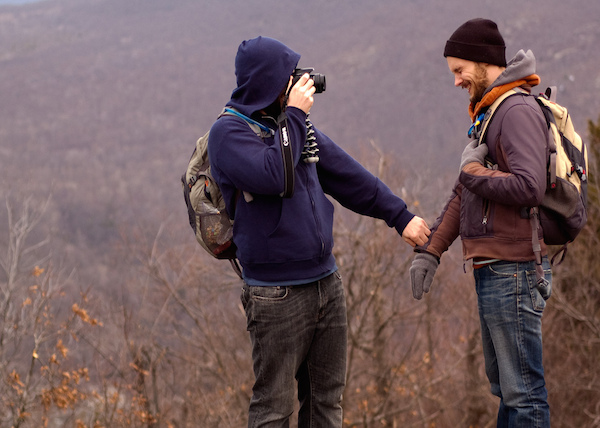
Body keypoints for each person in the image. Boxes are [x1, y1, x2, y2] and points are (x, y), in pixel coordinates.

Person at [208, 36, 430, 427]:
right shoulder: (228, 134)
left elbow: (348, 177)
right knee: (274, 407)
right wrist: (294, 115)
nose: (298, 83)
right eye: (288, 77)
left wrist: (400, 217)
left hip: (326, 282)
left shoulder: (291, 127)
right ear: (267, 82)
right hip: (276, 294)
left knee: (327, 402)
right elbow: (275, 175)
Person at [409, 19, 552, 427]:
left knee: (524, 394)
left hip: (516, 271)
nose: (455, 81)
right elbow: (465, 192)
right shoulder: (491, 112)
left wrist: (471, 170)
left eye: (459, 70)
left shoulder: (516, 110)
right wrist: (431, 250)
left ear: (485, 62)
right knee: (507, 389)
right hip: (497, 269)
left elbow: (529, 187)